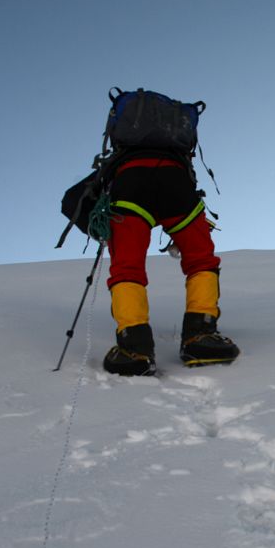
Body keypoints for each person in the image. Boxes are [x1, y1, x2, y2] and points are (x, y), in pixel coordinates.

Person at [100, 142, 240, 376]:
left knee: (127, 266)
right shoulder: (174, 138)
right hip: (176, 182)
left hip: (129, 184)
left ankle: (134, 348)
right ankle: (200, 334)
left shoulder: (127, 141)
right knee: (200, 260)